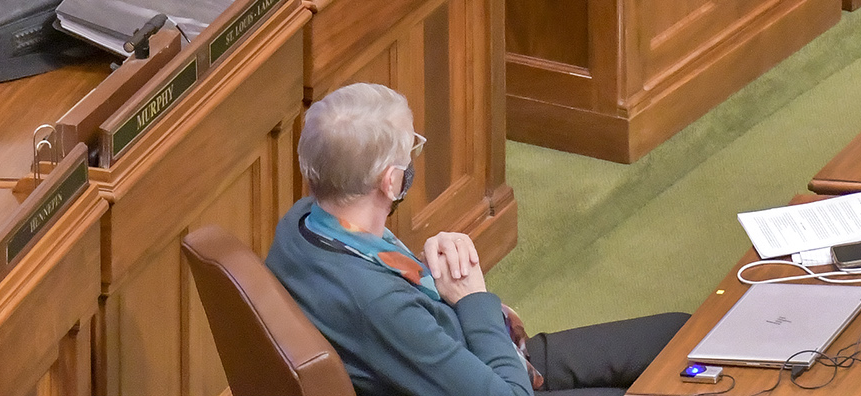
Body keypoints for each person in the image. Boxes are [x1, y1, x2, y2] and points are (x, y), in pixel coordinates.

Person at [268, 84, 686, 396]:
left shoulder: (303, 220)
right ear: (392, 182)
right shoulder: (379, 305)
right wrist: (472, 299)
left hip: (467, 351)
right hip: (478, 370)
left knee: (681, 333)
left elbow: (382, 282)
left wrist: (437, 279)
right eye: (411, 147)